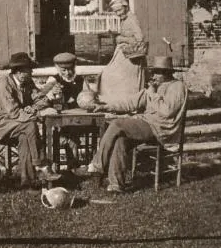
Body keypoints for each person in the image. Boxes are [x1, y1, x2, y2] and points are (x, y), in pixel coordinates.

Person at [78, 56, 187, 193]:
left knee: (118, 124)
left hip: (162, 129)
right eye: (153, 72)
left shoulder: (177, 87)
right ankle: (116, 185)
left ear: (167, 73)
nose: (153, 76)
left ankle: (98, 164)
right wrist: (105, 106)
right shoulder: (154, 87)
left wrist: (152, 95)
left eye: (157, 72)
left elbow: (167, 111)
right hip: (148, 124)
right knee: (120, 140)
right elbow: (131, 103)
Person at [0, 52, 58, 189]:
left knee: (25, 137)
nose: (32, 71)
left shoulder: (27, 82)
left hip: (18, 124)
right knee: (29, 125)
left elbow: (40, 99)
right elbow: (14, 112)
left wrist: (36, 106)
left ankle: (27, 182)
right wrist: (37, 112)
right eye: (29, 69)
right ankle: (40, 165)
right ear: (20, 72)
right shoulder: (3, 85)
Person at [96, 0, 146, 104]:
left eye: (119, 10)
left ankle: (124, 102)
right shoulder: (125, 19)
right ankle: (115, 101)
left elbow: (140, 39)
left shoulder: (132, 19)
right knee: (107, 73)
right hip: (123, 55)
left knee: (110, 76)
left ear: (125, 6)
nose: (118, 13)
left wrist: (122, 39)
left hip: (131, 57)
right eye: (116, 11)